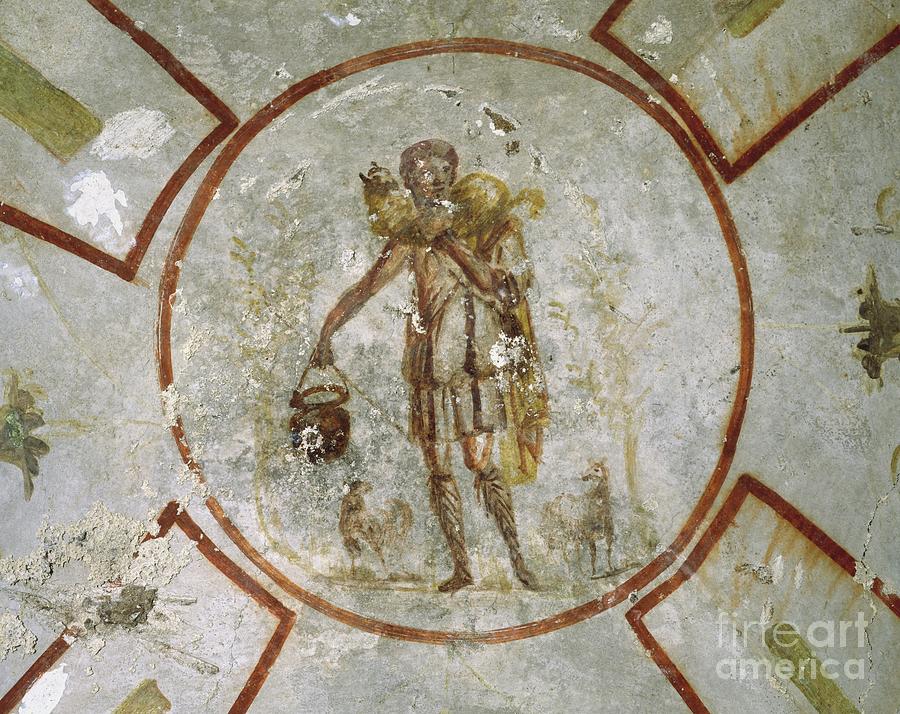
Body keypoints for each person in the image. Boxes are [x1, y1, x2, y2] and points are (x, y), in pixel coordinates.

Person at [307, 139, 547, 592]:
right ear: (409, 183)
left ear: (454, 177)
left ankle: (517, 560)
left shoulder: (489, 228)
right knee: (438, 469)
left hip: (475, 366)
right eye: (420, 172)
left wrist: (447, 237)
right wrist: (327, 332)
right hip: (429, 367)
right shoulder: (412, 240)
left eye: (440, 170)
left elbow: (494, 285)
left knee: (482, 464)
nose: (431, 178)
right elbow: (366, 287)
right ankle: (461, 567)